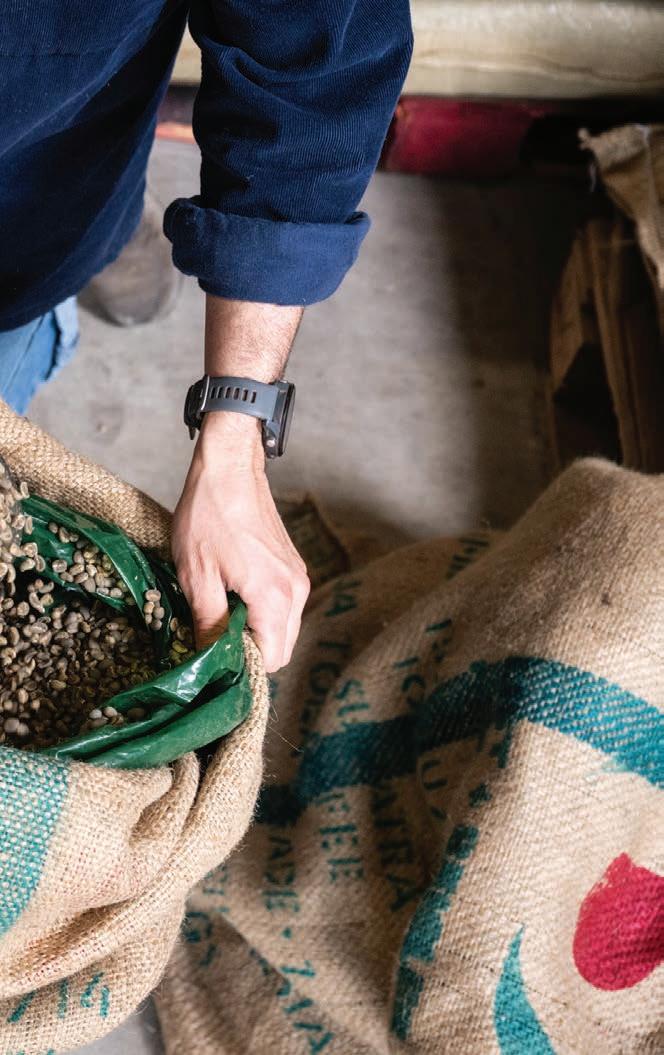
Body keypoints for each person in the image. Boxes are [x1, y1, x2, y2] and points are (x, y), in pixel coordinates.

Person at [0, 1, 413, 671]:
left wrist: (234, 437)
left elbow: (309, 66)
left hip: (36, 186)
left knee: (72, 267)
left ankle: (106, 233)